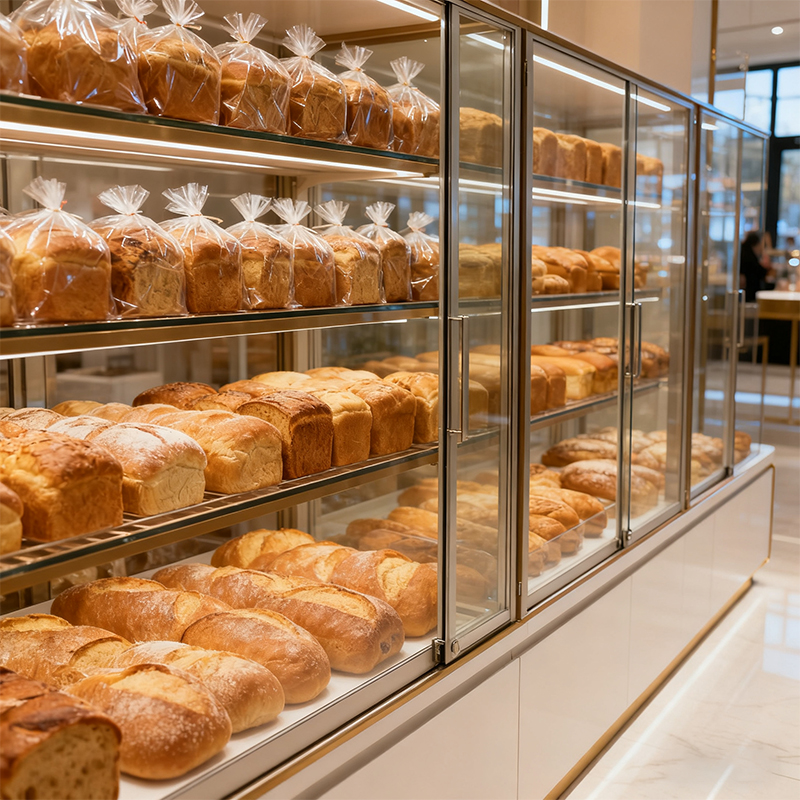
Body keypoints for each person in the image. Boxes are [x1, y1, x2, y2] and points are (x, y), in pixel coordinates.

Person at [740, 231, 773, 301]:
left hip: (747, 289)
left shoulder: (744, 250)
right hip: (749, 290)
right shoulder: (748, 254)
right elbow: (757, 270)